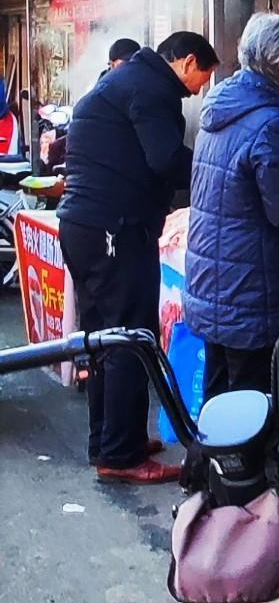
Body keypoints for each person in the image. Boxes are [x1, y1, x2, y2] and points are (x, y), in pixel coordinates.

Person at [59, 31, 218, 483]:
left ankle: (108, 440)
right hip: (114, 229)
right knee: (129, 337)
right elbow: (164, 158)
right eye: (202, 78)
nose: (199, 89)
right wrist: (216, 166)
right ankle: (122, 455)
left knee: (102, 338)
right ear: (187, 62)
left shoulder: (125, 80)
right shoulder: (152, 89)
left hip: (87, 225)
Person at [183, 13, 279, 400]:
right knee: (248, 403)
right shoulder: (271, 123)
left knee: (219, 396)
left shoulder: (222, 107)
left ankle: (208, 462)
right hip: (247, 292)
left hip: (215, 282)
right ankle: (241, 463)